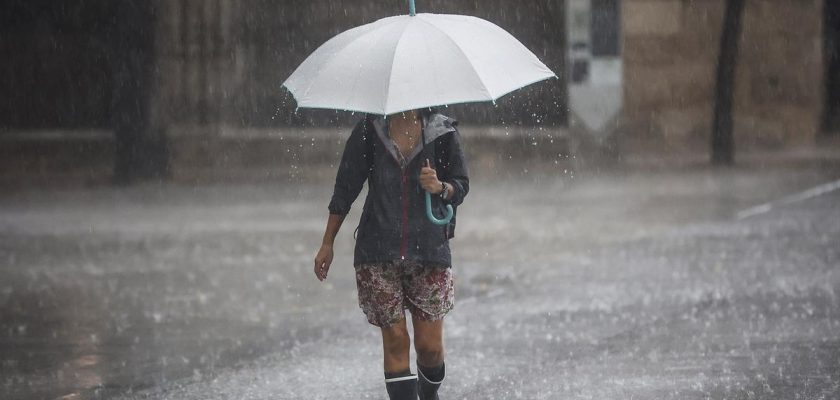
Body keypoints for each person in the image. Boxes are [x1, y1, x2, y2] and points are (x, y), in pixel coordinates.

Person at [314, 108, 469, 400]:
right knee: (396, 340)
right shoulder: (369, 130)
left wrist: (441, 187)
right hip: (377, 250)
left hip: (429, 251)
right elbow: (345, 187)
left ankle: (428, 392)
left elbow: (461, 184)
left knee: (430, 348)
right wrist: (327, 242)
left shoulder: (443, 131)